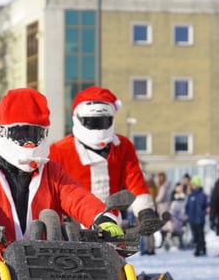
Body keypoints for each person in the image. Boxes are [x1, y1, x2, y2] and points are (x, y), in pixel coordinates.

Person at [0, 88, 123, 277]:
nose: (30, 143)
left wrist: (103, 218)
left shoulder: (52, 172)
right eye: (21, 134)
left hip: (45, 268)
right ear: (0, 132)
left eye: (35, 134)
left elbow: (78, 198)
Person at [48, 86, 162, 237]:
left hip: (113, 226)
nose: (98, 128)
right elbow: (50, 190)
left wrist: (145, 211)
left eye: (103, 122)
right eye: (91, 122)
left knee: (114, 260)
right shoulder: (59, 150)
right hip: (71, 228)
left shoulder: (122, 147)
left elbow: (134, 181)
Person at [184, 176, 208, 257]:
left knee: (201, 234)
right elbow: (187, 206)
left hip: (200, 219)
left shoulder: (203, 195)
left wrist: (203, 213)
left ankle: (202, 249)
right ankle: (197, 248)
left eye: (194, 184)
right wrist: (187, 214)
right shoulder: (190, 195)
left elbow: (206, 206)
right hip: (192, 219)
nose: (192, 186)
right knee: (195, 235)